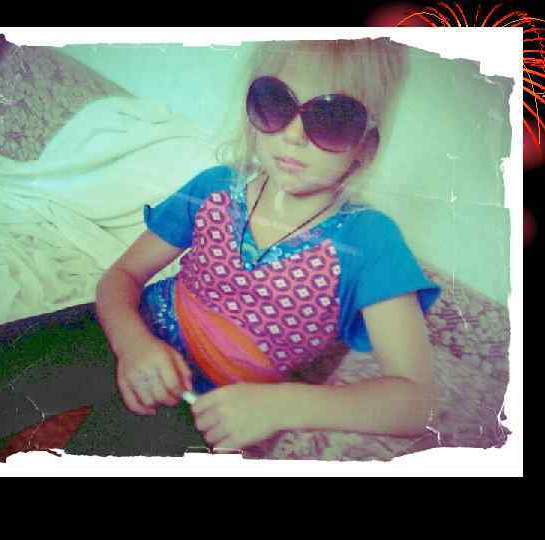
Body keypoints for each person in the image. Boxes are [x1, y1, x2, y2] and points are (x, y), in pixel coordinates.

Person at [95, 38, 442, 455]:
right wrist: (132, 342)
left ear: (366, 145)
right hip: (128, 330)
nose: (293, 135)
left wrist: (281, 406)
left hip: (208, 410)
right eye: (276, 103)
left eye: (331, 118)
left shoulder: (370, 241)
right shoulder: (215, 187)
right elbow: (121, 276)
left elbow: (415, 403)